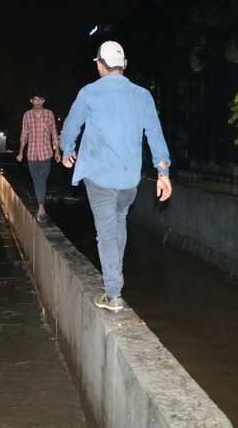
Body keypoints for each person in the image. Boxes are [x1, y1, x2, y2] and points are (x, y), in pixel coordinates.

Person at [60, 41, 172, 312]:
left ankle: (113, 293)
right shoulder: (142, 95)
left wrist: (67, 150)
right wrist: (163, 172)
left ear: (99, 65)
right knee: (118, 223)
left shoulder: (89, 93)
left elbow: (70, 126)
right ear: (125, 65)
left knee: (107, 232)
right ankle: (115, 280)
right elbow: (154, 134)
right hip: (129, 178)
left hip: (99, 176)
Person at [16, 89, 61, 222]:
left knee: (41, 179)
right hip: (31, 154)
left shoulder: (49, 114)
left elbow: (54, 133)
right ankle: (41, 206)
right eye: (35, 99)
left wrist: (57, 151)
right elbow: (24, 134)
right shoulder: (27, 115)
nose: (38, 101)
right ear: (31, 101)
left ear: (44, 101)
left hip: (46, 153)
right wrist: (20, 152)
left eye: (40, 99)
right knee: (36, 179)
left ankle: (41, 208)